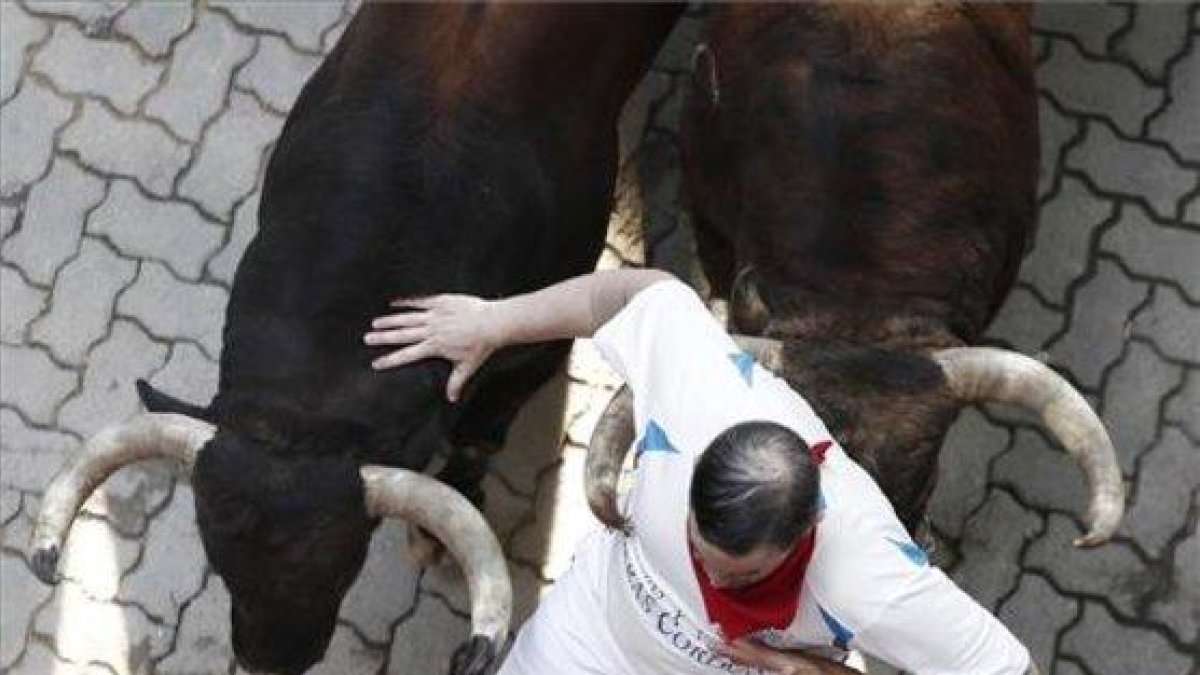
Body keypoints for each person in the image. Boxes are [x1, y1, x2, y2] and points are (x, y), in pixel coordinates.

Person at [364, 270, 1036, 675]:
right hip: (590, 627)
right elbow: (629, 294)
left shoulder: (872, 575)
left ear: (811, 528)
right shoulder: (704, 394)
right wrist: (494, 320)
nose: (712, 578)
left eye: (739, 574)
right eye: (699, 546)